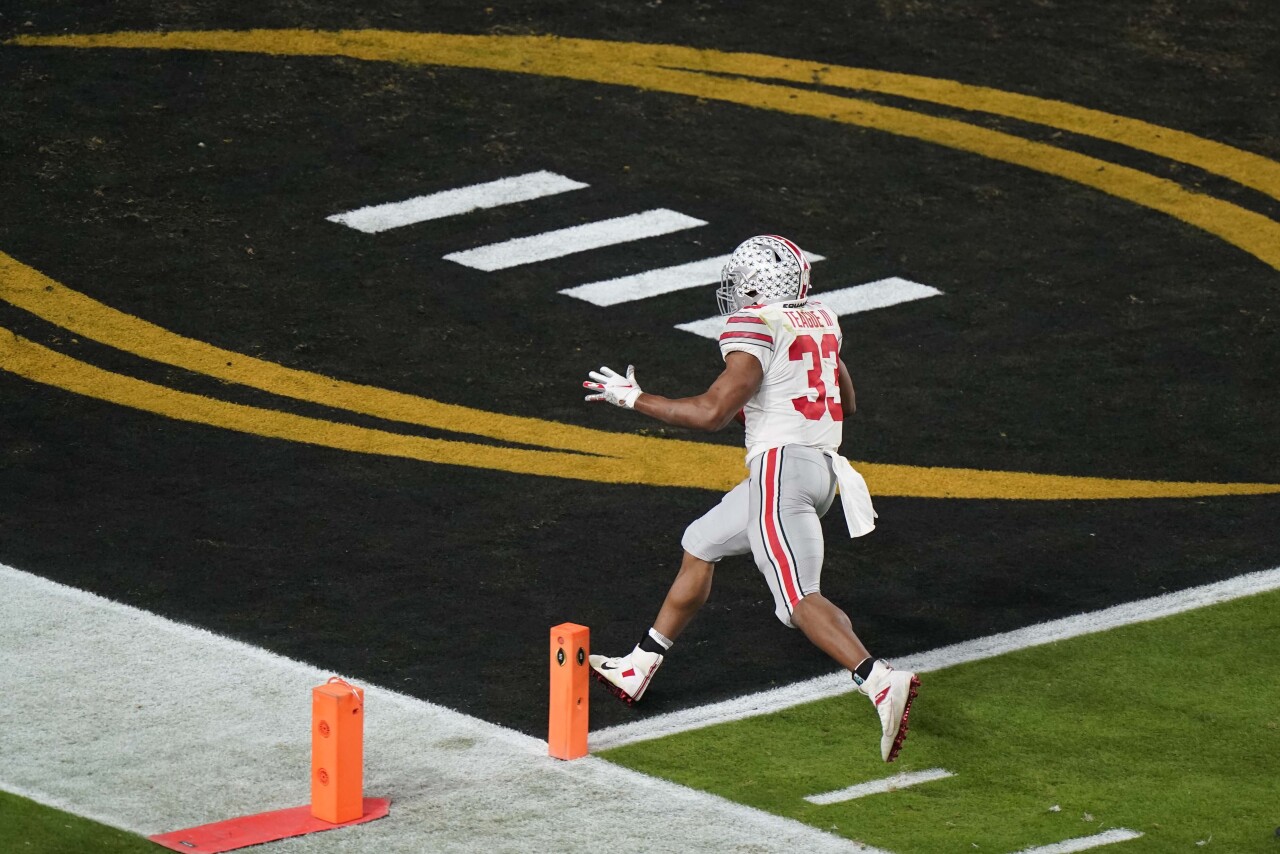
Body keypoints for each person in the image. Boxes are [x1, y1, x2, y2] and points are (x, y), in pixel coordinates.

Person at [581, 234, 919, 762]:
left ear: (758, 284)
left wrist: (633, 399)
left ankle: (878, 679)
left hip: (782, 469)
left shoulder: (753, 322)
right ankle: (639, 663)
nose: (734, 290)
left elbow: (710, 412)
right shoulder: (822, 318)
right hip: (823, 472)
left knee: (797, 598)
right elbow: (847, 403)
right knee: (702, 541)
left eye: (740, 281)